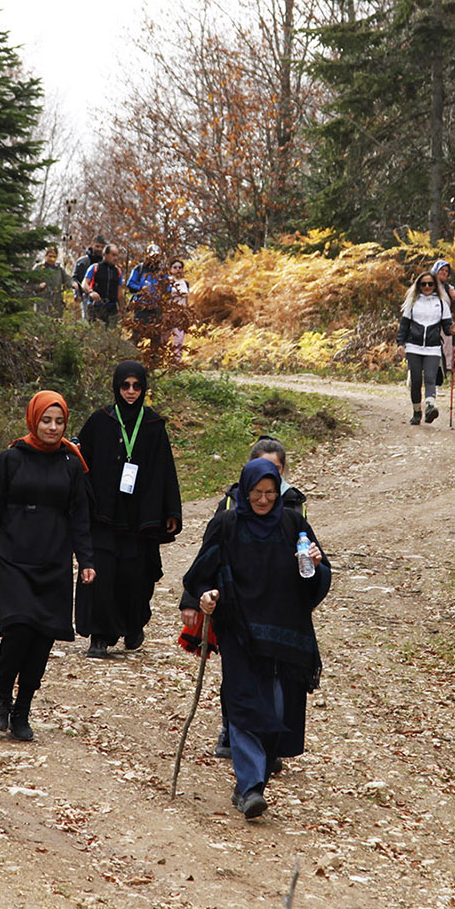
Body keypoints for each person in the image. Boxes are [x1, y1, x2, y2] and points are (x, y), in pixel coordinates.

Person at [181, 456, 331, 820]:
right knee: (246, 704)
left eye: (269, 493)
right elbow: (201, 572)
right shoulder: (227, 525)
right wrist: (205, 596)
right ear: (244, 492)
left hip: (285, 635)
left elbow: (316, 578)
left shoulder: (294, 523)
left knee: (277, 711)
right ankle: (249, 787)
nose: (263, 500)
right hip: (240, 630)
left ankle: (254, 784)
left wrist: (315, 564)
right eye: (255, 493)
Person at [0, 391, 96, 742]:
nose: (53, 428)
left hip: (53, 560)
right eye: (46, 420)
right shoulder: (11, 459)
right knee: (18, 629)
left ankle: (23, 709)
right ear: (33, 420)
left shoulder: (72, 464)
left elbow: (79, 516)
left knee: (42, 637)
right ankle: (2, 698)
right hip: (12, 558)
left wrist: (86, 560)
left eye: (59, 422)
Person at [75, 360, 182, 656]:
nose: (131, 392)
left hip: (140, 515)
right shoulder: (101, 421)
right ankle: (100, 635)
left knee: (137, 573)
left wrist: (171, 510)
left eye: (137, 386)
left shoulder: (153, 424)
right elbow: (80, 461)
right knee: (101, 571)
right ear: (116, 387)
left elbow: (165, 469)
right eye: (125, 386)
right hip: (105, 512)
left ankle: (133, 625)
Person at [209, 437, 305, 761]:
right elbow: (208, 558)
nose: (266, 492)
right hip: (238, 610)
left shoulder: (294, 507)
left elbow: (307, 558)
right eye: (260, 481)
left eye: (276, 474)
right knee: (238, 679)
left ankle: (269, 743)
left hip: (277, 611)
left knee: (275, 684)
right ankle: (236, 739)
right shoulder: (229, 509)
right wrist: (198, 599)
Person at [397, 271, 452, 425]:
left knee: (430, 378)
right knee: (415, 380)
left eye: (430, 284)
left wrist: (452, 330)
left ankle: (429, 407)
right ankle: (416, 411)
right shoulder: (412, 303)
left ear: (435, 285)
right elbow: (404, 326)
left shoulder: (441, 304)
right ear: (418, 286)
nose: (427, 287)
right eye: (423, 284)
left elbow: (447, 327)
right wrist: (400, 343)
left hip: (433, 347)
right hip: (413, 346)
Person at [125, 245, 166, 344]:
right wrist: (141, 288)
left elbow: (168, 288)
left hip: (156, 309)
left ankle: (154, 359)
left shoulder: (162, 271)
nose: (154, 259)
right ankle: (132, 356)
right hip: (141, 308)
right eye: (152, 256)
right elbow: (130, 284)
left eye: (156, 257)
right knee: (136, 336)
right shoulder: (140, 268)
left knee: (156, 338)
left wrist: (162, 290)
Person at [430, 260, 455, 374]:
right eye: (441, 270)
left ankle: (436, 383)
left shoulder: (449, 288)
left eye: (446, 271)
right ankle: (414, 375)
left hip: (443, 326)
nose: (444, 273)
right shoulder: (427, 284)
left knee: (441, 354)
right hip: (427, 323)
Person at [80, 243, 122, 325]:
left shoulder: (118, 271)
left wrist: (121, 309)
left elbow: (119, 293)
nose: (115, 258)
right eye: (113, 255)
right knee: (95, 334)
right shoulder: (94, 268)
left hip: (112, 308)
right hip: (95, 306)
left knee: (112, 334)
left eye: (117, 255)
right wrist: (91, 292)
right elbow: (84, 283)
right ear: (105, 255)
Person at [71, 235, 106, 321]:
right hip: (86, 296)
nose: (99, 249)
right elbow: (74, 279)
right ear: (92, 245)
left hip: (102, 298)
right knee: (87, 321)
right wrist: (77, 294)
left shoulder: (106, 263)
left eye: (102, 247)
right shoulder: (82, 262)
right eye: (97, 246)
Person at [31, 245, 71, 317]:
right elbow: (29, 285)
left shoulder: (59, 269)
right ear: (45, 256)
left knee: (56, 324)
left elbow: (68, 280)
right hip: (42, 304)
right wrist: (38, 286)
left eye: (54, 257)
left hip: (56, 304)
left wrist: (74, 284)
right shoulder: (38, 268)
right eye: (50, 256)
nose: (52, 259)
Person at [166, 257, 192, 363]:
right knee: (163, 339)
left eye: (180, 267)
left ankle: (176, 363)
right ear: (170, 269)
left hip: (180, 315)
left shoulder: (185, 283)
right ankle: (158, 362)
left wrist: (187, 314)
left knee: (179, 340)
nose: (177, 269)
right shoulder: (166, 281)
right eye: (175, 267)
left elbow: (186, 300)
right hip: (168, 313)